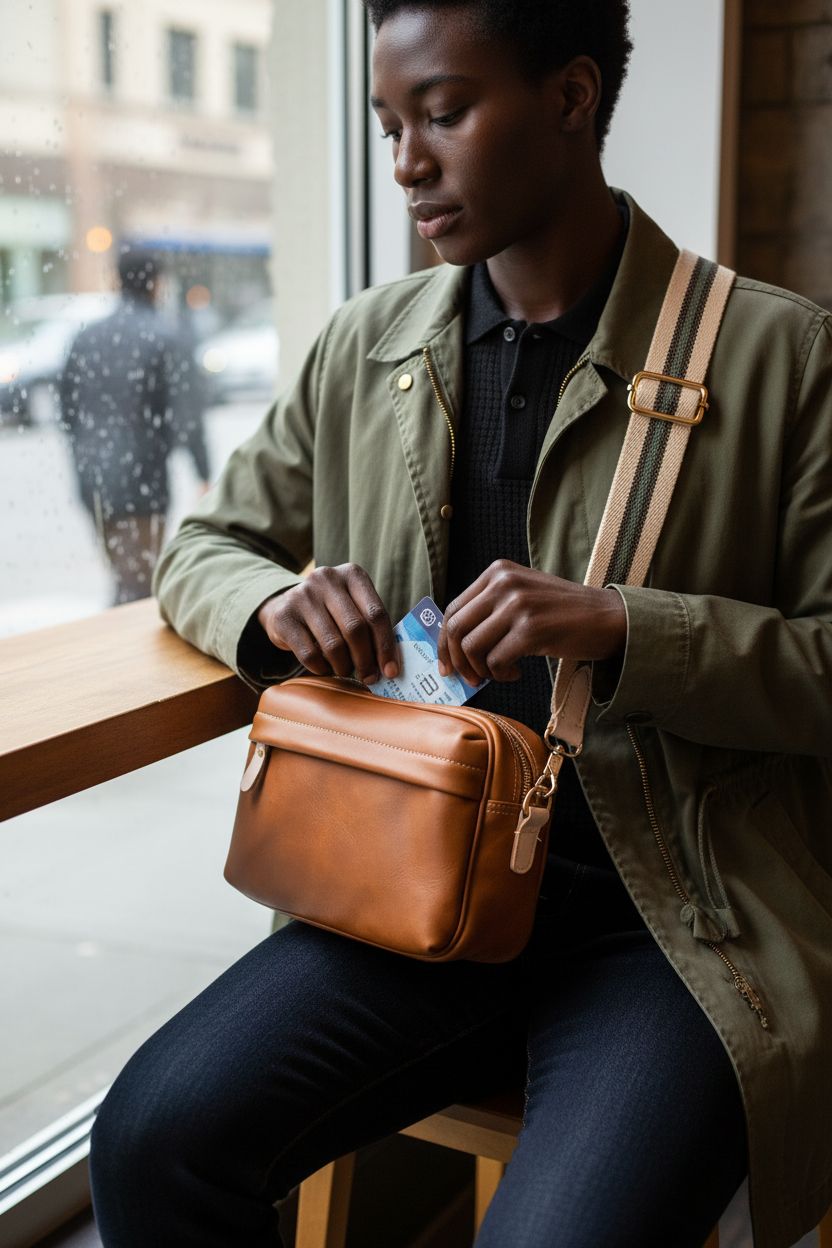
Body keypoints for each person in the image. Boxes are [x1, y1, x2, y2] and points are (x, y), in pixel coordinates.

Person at [89, 3, 832, 1246]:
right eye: (388, 125)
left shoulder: (779, 355)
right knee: (153, 1138)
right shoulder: (366, 346)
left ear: (570, 97)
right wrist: (273, 606)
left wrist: (623, 627)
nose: (405, 165)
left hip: (672, 925)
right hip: (415, 894)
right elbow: (203, 549)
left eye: (442, 113)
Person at [59, 247, 210, 605]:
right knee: (138, 587)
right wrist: (204, 472)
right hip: (142, 479)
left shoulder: (86, 337)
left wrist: (87, 456)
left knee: (126, 573)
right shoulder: (165, 335)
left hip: (92, 477)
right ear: (156, 283)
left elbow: (67, 410)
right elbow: (186, 412)